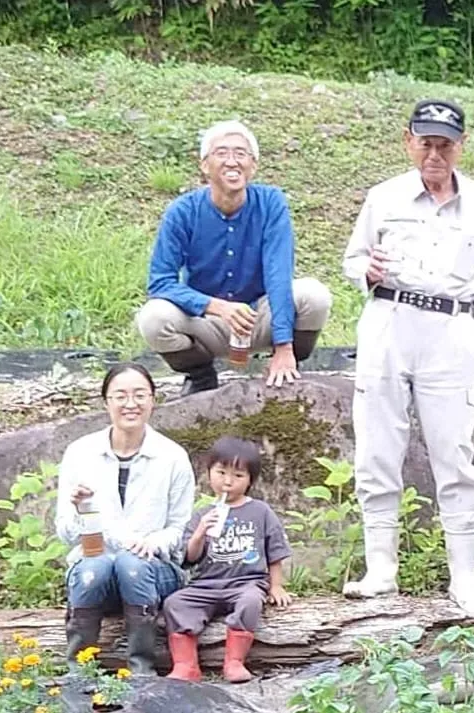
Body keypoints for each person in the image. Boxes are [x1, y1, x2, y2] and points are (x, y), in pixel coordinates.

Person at [339, 99, 474, 619]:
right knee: (377, 445)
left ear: (461, 146)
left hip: (452, 330)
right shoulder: (384, 196)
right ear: (408, 141)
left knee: (454, 451)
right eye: (426, 142)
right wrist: (365, 271)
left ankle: (464, 577)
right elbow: (353, 258)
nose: (434, 154)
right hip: (390, 322)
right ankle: (380, 569)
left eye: (445, 144)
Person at [137, 120, 334, 395]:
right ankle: (200, 375)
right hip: (208, 322)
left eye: (241, 154)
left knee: (314, 295)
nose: (232, 162)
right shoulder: (182, 212)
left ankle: (287, 363)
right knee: (153, 318)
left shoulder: (270, 202)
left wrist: (284, 344)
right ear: (205, 165)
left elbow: (279, 273)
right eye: (222, 153)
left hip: (259, 315)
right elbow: (160, 283)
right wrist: (215, 306)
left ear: (253, 165)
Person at [54, 363, 196, 675]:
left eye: (139, 395)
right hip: (96, 570)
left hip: (154, 571)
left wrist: (151, 543)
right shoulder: (80, 453)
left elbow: (179, 528)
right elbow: (65, 533)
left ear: (153, 400)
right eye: (120, 396)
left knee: (130, 564)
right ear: (106, 402)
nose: (130, 404)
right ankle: (79, 669)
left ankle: (141, 669)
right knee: (97, 565)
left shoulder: (172, 457)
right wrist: (78, 510)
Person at [164, 437, 293, 684]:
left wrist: (276, 586)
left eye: (237, 476)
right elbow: (189, 558)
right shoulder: (202, 513)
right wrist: (201, 532)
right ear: (209, 473)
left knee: (250, 601)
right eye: (221, 472)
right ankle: (185, 665)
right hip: (206, 583)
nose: (227, 482)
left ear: (250, 480)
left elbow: (276, 550)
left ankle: (234, 662)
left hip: (246, 581)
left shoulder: (260, 511)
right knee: (175, 603)